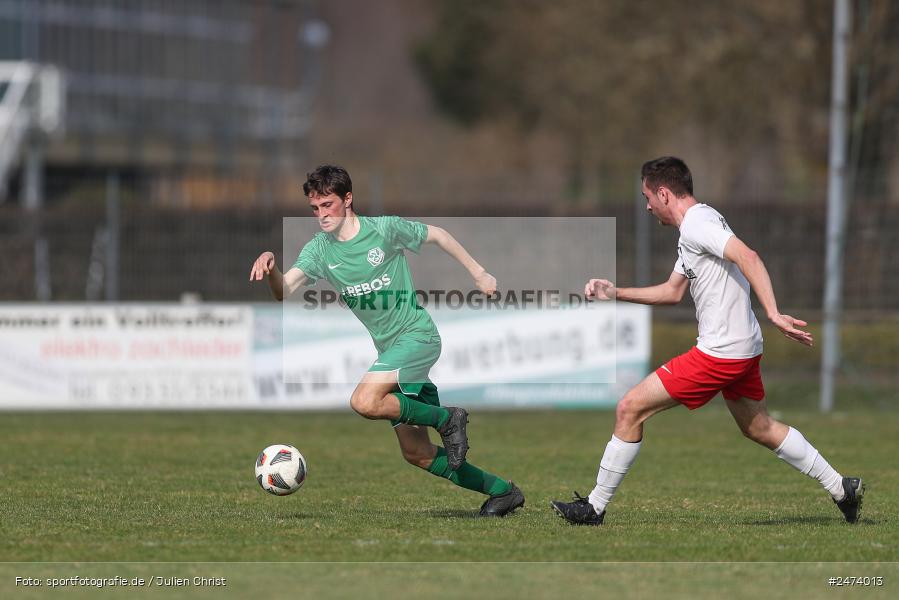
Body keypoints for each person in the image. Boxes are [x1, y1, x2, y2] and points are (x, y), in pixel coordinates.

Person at [551, 156, 863, 525]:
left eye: (647, 197)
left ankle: (594, 507)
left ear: (664, 193)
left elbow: (749, 256)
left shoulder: (699, 224)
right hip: (743, 348)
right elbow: (671, 292)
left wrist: (774, 312)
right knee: (759, 427)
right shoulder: (698, 225)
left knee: (629, 408)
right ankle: (842, 488)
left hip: (720, 353)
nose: (647, 206)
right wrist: (615, 292)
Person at [250, 164, 524, 517]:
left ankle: (446, 419)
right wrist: (272, 268)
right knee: (418, 454)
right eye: (315, 208)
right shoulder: (319, 250)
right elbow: (283, 290)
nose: (322, 215)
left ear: (348, 198)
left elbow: (438, 234)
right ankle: (503, 492)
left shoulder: (384, 230)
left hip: (418, 337)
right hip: (394, 353)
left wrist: (478, 272)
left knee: (364, 401)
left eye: (328, 205)